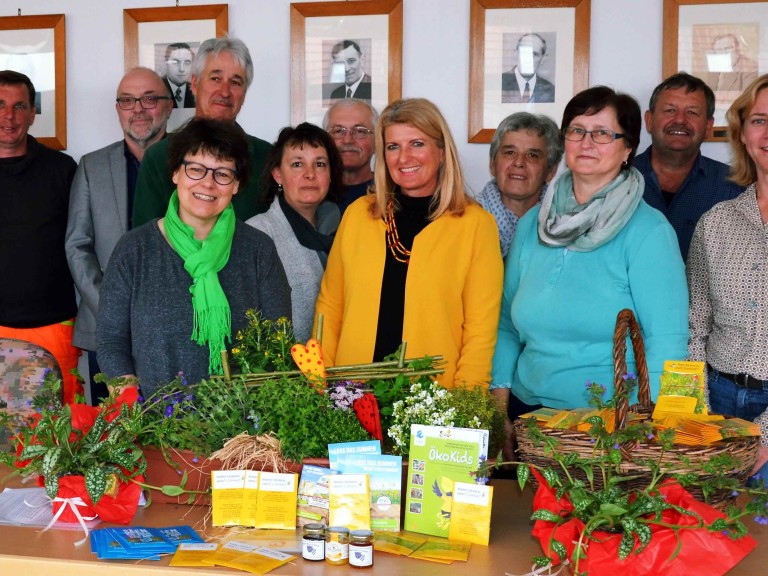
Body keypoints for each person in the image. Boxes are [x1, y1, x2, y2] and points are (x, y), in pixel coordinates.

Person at [491, 86, 688, 423]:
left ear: (627, 148)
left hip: (609, 423)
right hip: (526, 413)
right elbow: (507, 325)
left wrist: (648, 428)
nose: (586, 142)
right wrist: (498, 411)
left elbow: (667, 343)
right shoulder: (531, 226)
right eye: (577, 131)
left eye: (601, 133)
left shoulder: (649, 232)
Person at [315, 98, 503, 388]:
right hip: (351, 395)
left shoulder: (476, 225)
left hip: (434, 401)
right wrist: (321, 383)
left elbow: (481, 330)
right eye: (393, 147)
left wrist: (466, 404)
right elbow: (330, 305)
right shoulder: (358, 216)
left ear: (441, 151)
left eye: (417, 144)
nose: (404, 158)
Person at [97, 118, 291, 397]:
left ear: (236, 184)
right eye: (196, 169)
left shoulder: (258, 250)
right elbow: (111, 341)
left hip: (243, 431)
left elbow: (277, 344)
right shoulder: (133, 250)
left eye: (223, 173)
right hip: (156, 430)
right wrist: (133, 412)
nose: (208, 183)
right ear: (176, 173)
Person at [66, 67, 173, 403]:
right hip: (107, 330)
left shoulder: (192, 164)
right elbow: (77, 245)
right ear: (117, 109)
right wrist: (111, 308)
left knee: (176, 435)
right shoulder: (92, 166)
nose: (138, 109)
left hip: (175, 329)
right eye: (127, 101)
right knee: (113, 435)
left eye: (149, 99)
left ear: (169, 106)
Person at [687, 74, 768, 485]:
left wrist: (765, 437)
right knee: (707, 532)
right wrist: (696, 409)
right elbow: (696, 325)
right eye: (759, 120)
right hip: (716, 401)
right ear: (742, 133)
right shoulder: (716, 222)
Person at [0, 70, 81, 404]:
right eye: (1, 105)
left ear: (33, 113)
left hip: (54, 328)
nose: (9, 115)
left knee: (61, 437)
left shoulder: (62, 170)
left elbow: (81, 242)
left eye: (20, 106)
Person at [132, 37, 272, 227]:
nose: (224, 91)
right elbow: (145, 242)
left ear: (244, 94)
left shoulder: (267, 158)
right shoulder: (158, 157)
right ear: (195, 84)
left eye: (235, 82)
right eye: (215, 78)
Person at [246, 123, 344, 343]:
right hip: (282, 371)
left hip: (342, 367)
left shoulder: (345, 229)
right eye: (297, 164)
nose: (310, 174)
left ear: (330, 174)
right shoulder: (257, 233)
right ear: (278, 175)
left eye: (320, 164)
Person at [634, 72, 743, 260]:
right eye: (669, 110)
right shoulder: (618, 179)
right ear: (649, 120)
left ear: (708, 127)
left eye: (692, 112)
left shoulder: (734, 188)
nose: (680, 120)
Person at [476, 112, 563, 258]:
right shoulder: (465, 218)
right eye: (510, 152)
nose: (519, 162)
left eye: (532, 155)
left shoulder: (564, 222)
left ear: (550, 171)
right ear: (492, 165)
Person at [323, 98, 378, 211]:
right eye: (338, 131)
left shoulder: (392, 194)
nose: (347, 140)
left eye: (360, 131)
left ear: (377, 141)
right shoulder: (311, 192)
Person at [501, 33, 555, 104]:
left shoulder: (550, 90)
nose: (528, 60)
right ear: (515, 54)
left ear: (543, 59)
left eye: (534, 54)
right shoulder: (500, 82)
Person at [163, 42, 196, 109]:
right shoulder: (157, 89)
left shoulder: (195, 91)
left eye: (187, 62)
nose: (182, 69)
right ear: (166, 63)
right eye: (175, 62)